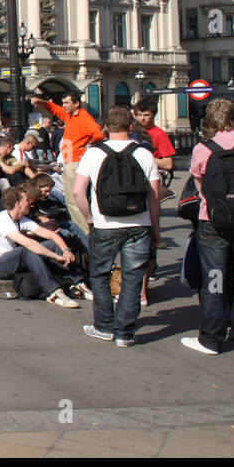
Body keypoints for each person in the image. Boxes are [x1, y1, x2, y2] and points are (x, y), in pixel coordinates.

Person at [183, 98, 234, 359]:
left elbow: (200, 186)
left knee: (216, 279)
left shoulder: (202, 149)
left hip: (214, 223)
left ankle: (212, 338)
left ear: (211, 119)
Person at [73, 106, 160, 347]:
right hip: (139, 223)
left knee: (100, 274)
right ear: (131, 127)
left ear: (106, 128)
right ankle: (125, 332)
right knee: (133, 277)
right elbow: (153, 195)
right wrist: (155, 227)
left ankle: (104, 326)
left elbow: (78, 191)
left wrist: (89, 217)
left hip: (105, 224)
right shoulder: (144, 154)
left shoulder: (93, 153)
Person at [0, 186, 81, 309]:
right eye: (27, 200)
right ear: (18, 204)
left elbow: (50, 234)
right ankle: (53, 292)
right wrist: (56, 257)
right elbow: (29, 244)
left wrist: (65, 250)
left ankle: (77, 282)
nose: (31, 204)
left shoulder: (20, 219)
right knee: (26, 250)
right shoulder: (2, 220)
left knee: (52, 244)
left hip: (12, 261)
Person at [31, 92, 103, 235]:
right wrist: (42, 102)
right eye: (63, 103)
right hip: (71, 161)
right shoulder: (71, 116)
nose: (63, 106)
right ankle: (84, 228)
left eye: (66, 103)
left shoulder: (83, 118)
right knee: (74, 199)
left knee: (72, 200)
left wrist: (87, 144)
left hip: (74, 162)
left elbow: (99, 134)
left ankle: (83, 231)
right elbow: (56, 109)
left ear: (76, 104)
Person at [131, 100, 175, 178]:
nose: (142, 118)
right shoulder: (130, 131)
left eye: (146, 115)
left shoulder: (160, 134)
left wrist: (143, 158)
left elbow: (168, 164)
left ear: (154, 115)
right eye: (139, 115)